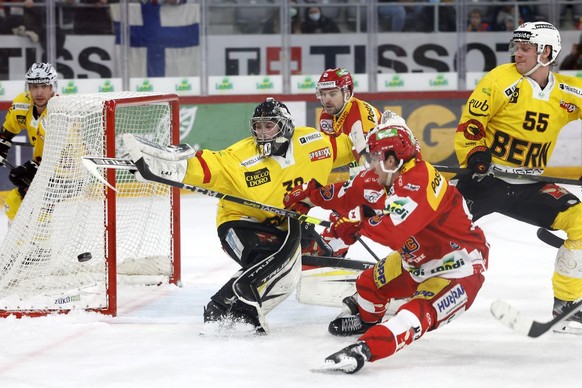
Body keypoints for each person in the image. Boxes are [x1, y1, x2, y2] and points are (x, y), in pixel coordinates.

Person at [123, 97, 356, 334]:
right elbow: (206, 165)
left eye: (269, 125)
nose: (262, 132)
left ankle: (359, 301)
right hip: (240, 223)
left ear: (285, 125)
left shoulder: (313, 144)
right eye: (258, 126)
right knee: (269, 255)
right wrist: (164, 168)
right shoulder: (241, 157)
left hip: (287, 225)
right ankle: (223, 308)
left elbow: (351, 147)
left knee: (324, 258)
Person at [284, 122, 489, 373]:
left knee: (413, 316)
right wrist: (308, 195)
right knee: (368, 285)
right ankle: (367, 322)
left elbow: (393, 231)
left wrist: (358, 224)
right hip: (416, 261)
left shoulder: (420, 181)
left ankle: (366, 349)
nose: (370, 164)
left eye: (374, 157)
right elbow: (346, 193)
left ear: (391, 160)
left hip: (458, 268)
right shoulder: (384, 175)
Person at [453, 21, 582, 334]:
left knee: (580, 220)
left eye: (525, 48)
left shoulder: (567, 91)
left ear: (547, 52)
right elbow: (471, 124)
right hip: (486, 180)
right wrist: (475, 155)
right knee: (438, 235)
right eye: (517, 48)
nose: (518, 54)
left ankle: (567, 305)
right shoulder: (500, 79)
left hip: (530, 187)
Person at [300, 67, 381, 258]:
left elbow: (373, 167)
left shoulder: (360, 117)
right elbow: (329, 157)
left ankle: (328, 259)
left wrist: (349, 197)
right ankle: (329, 258)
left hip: (381, 182)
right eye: (323, 93)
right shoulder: (327, 116)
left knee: (343, 224)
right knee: (337, 224)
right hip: (361, 177)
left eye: (333, 93)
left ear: (347, 92)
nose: (327, 99)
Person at [0, 62, 57, 226]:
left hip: (66, 173)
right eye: (34, 86)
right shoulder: (23, 104)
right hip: (42, 167)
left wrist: (33, 170)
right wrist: (2, 146)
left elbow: (68, 155)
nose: (39, 92)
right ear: (28, 87)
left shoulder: (61, 112)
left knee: (40, 210)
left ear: (52, 87)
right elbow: (8, 130)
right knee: (13, 202)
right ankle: (21, 247)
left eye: (45, 86)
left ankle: (41, 247)